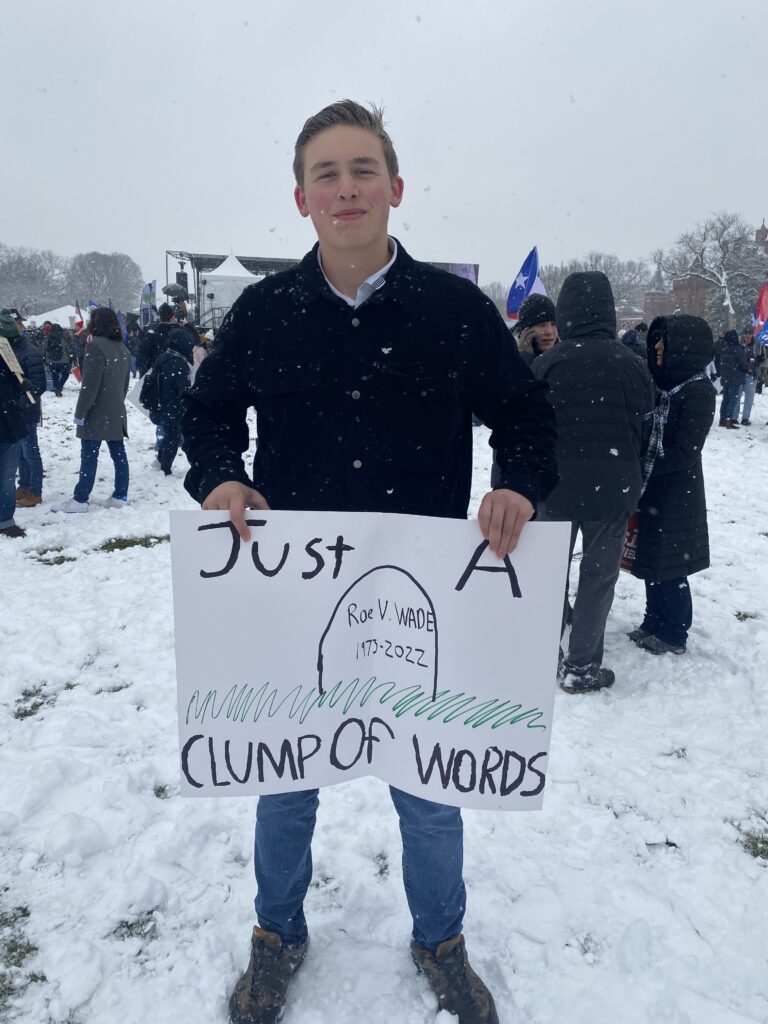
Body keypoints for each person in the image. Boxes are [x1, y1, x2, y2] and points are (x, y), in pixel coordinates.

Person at [182, 98, 558, 1024]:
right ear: (301, 199)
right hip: (288, 602)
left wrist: (518, 485)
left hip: (423, 605)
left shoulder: (456, 312)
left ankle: (442, 938)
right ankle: (277, 933)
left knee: (430, 793)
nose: (345, 189)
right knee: (284, 782)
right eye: (325, 174)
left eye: (361, 171)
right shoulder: (265, 312)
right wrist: (223, 479)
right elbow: (208, 414)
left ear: (395, 188)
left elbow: (525, 415)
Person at [532, 271, 655, 694]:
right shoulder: (632, 363)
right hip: (615, 485)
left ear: (565, 311)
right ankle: (582, 667)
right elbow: (645, 421)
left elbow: (533, 425)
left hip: (556, 486)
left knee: (547, 572)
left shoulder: (548, 362)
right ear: (608, 310)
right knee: (598, 577)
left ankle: (538, 652)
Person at [629, 315, 716, 654]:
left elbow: (685, 450)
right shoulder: (658, 383)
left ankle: (675, 631)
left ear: (687, 347)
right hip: (652, 485)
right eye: (658, 340)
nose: (659, 346)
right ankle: (653, 620)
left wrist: (646, 467)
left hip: (679, 491)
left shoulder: (698, 391)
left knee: (672, 566)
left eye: (666, 340)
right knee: (649, 557)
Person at [52, 307, 131, 512]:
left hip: (96, 412)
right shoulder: (123, 348)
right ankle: (120, 494)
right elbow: (124, 384)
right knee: (118, 454)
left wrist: (80, 414)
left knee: (89, 456)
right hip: (116, 410)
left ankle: (80, 499)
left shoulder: (96, 347)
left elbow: (90, 386)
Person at [0, 310, 46, 507]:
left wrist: (21, 400)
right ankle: (24, 484)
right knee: (19, 452)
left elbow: (39, 385)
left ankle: (35, 490)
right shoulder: (7, 351)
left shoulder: (29, 352)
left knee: (30, 452)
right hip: (12, 413)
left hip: (25, 412)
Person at [0, 317, 34, 538]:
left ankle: (5, 519)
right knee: (6, 475)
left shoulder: (8, 357)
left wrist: (23, 387)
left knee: (6, 476)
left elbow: (19, 389)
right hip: (9, 421)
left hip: (8, 423)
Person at [154, 327, 192, 475]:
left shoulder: (163, 357)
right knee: (173, 438)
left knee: (168, 434)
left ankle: (159, 460)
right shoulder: (179, 364)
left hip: (161, 404)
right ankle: (165, 467)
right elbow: (183, 390)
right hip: (174, 407)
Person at [715, 330, 746, 428]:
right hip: (735, 378)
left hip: (726, 378)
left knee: (726, 399)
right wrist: (748, 368)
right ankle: (728, 420)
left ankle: (722, 419)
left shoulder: (724, 350)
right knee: (733, 399)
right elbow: (743, 365)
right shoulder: (739, 350)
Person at [737, 327, 763, 425]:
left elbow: (762, 357)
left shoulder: (757, 344)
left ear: (752, 334)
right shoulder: (738, 343)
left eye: (749, 333)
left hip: (752, 374)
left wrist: (755, 363)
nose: (747, 335)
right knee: (737, 396)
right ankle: (734, 418)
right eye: (746, 333)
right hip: (739, 373)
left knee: (749, 398)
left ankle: (745, 418)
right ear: (743, 334)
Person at [44, 322, 70, 396]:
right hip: (63, 360)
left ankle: (56, 387)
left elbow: (45, 348)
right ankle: (59, 387)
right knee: (65, 375)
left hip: (51, 360)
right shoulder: (63, 338)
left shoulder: (48, 337)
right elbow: (67, 348)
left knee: (54, 375)